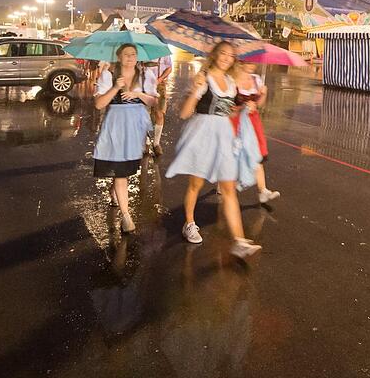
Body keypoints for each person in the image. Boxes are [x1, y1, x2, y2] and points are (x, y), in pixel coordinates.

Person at [165, 41, 262, 259]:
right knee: (196, 184)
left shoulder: (231, 82)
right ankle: (189, 223)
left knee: (229, 189)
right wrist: (196, 90)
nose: (227, 58)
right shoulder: (203, 78)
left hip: (224, 136)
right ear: (215, 55)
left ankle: (239, 240)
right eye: (223, 53)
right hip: (202, 135)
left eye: (231, 55)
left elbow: (228, 112)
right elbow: (184, 113)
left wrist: (244, 108)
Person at [93, 44, 156, 233]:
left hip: (136, 126)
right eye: (126, 54)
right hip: (115, 125)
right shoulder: (109, 75)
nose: (130, 57)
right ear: (119, 56)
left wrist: (137, 94)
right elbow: (99, 104)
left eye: (133, 54)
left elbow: (153, 101)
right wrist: (115, 87)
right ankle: (126, 217)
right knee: (121, 170)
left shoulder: (145, 75)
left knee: (126, 168)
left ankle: (115, 191)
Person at [232, 61, 281, 204]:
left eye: (254, 62)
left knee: (256, 154)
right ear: (240, 61)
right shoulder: (232, 80)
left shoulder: (256, 79)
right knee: (235, 154)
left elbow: (259, 105)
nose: (252, 64)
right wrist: (242, 107)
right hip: (236, 122)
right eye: (249, 61)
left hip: (253, 122)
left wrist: (263, 94)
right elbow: (227, 106)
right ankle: (224, 184)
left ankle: (263, 191)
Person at [142, 54, 174, 157]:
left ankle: (156, 143)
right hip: (144, 85)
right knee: (144, 114)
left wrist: (160, 79)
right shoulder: (142, 50)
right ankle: (146, 141)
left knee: (159, 114)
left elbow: (169, 68)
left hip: (159, 86)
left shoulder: (163, 51)